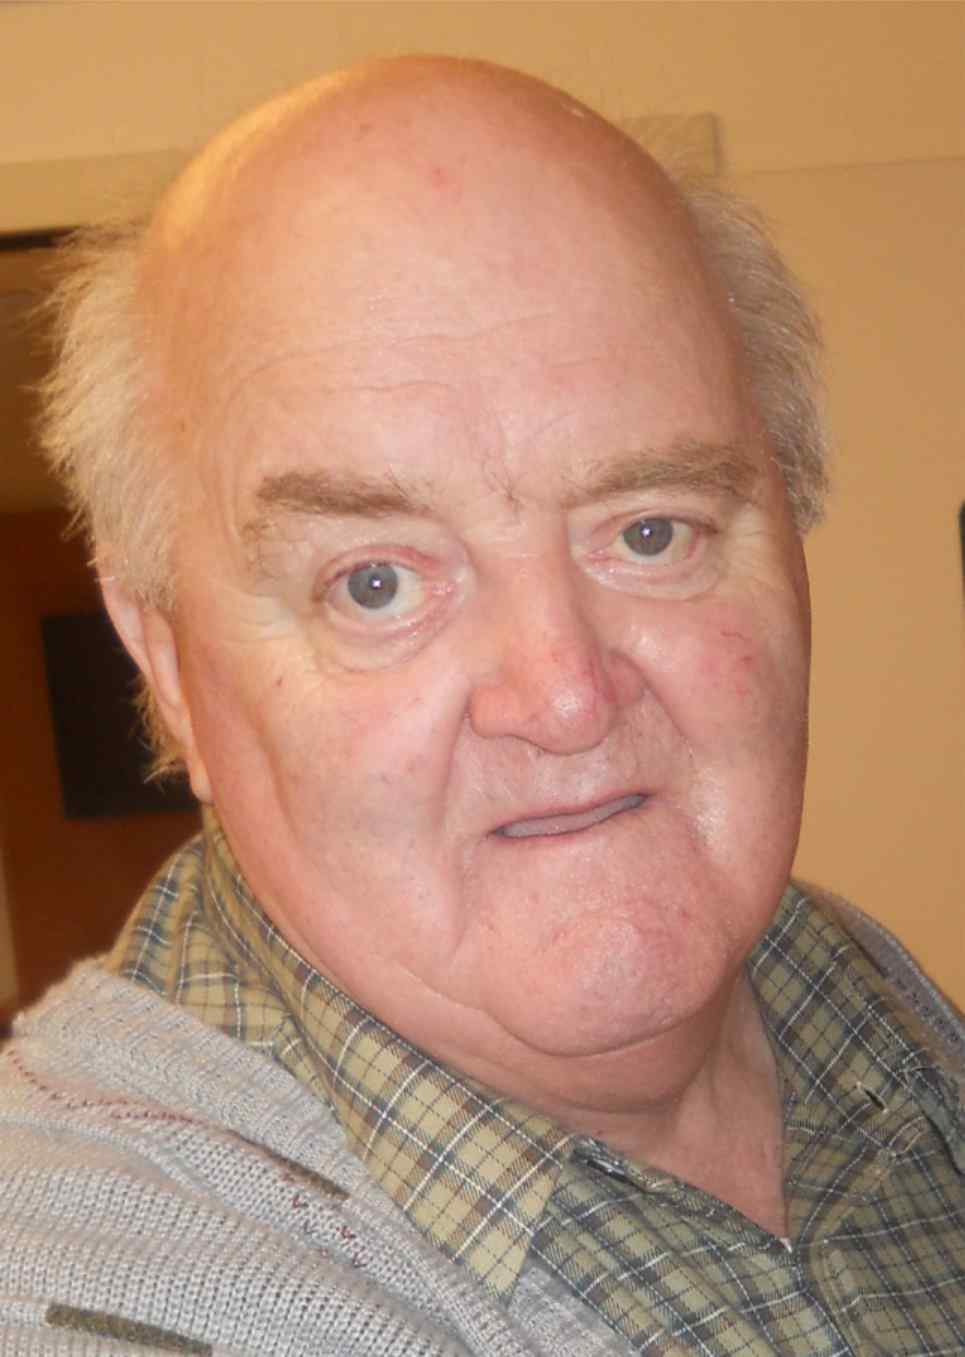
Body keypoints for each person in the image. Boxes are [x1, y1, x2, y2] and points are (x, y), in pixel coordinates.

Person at [0, 56, 961, 1357]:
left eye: (649, 529)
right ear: (166, 657)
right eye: (377, 582)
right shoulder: (73, 1294)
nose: (564, 697)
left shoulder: (853, 988)